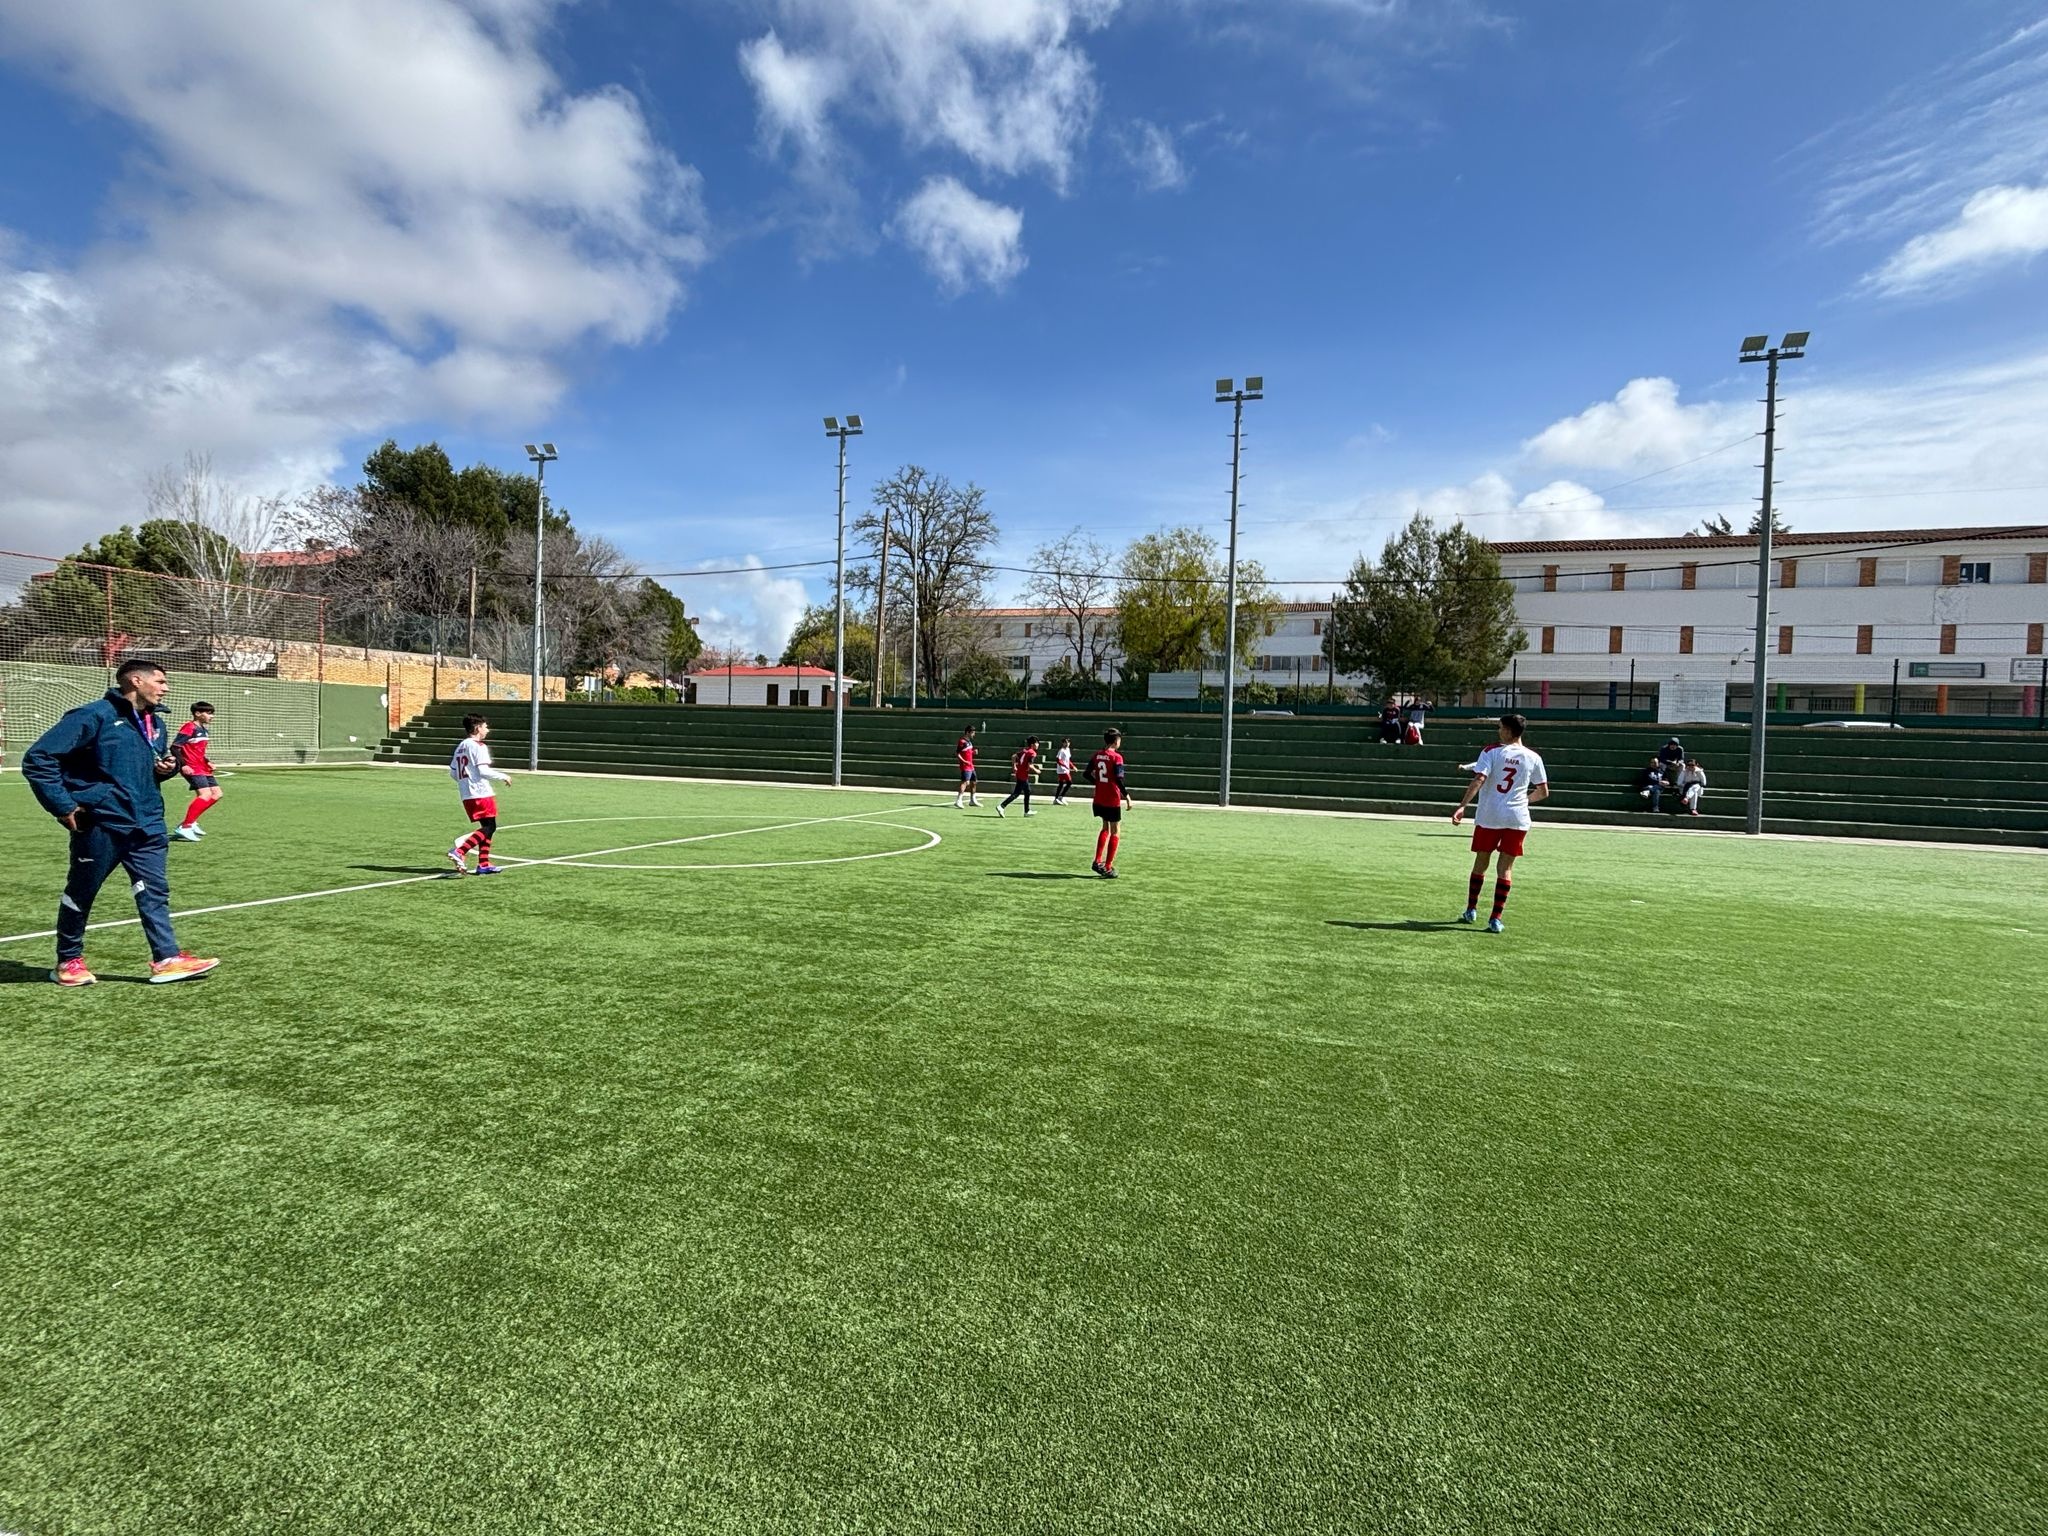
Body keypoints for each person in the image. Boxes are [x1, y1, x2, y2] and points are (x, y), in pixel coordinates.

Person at [20, 658, 221, 985]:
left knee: (155, 891)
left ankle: (166, 958)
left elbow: (144, 766)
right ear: (136, 681)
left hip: (148, 821)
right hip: (102, 822)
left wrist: (164, 769)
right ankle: (68, 961)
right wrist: (63, 807)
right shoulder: (92, 716)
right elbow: (39, 759)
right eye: (160, 681)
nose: (166, 688)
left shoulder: (155, 721)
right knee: (82, 891)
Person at [1450, 712, 1549, 934]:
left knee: (1481, 862)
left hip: (1490, 815)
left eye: (1500, 727)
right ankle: (1495, 918)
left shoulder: (1491, 751)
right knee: (1505, 868)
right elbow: (1543, 791)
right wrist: (1524, 800)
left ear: (1507, 730)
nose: (1498, 731)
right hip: (1517, 818)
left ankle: (1471, 909)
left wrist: (1462, 806)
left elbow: (1479, 779)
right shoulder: (1533, 757)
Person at [447, 713, 513, 874]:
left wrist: (465, 783)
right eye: (485, 727)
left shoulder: (461, 746)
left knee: (487, 826)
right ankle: (460, 851)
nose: (487, 730)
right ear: (477, 728)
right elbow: (483, 770)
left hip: (467, 794)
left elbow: (453, 773)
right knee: (490, 827)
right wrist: (503, 776)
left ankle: (483, 864)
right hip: (480, 792)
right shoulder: (478, 746)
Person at [170, 700, 222, 841]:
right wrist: (184, 765)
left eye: (212, 714)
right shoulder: (189, 727)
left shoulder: (204, 730)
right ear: (198, 714)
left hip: (202, 766)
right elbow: (175, 747)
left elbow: (198, 751)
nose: (212, 717)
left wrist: (208, 761)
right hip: (192, 767)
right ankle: (185, 827)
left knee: (217, 794)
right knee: (205, 795)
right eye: (209, 713)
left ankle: (191, 821)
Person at [1087, 727, 1131, 879]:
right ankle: (1108, 866)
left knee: (1105, 827)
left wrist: (1098, 783)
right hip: (1112, 798)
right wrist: (1127, 796)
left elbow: (1086, 773)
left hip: (1099, 797)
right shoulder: (1117, 758)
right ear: (1115, 741)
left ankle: (1097, 860)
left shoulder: (1097, 755)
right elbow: (1118, 779)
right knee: (1116, 830)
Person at [996, 736, 1040, 817]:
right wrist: (1036, 770)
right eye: (1037, 743)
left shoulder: (1024, 751)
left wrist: (1014, 766)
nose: (1038, 745)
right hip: (1023, 775)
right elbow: (1030, 765)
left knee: (1027, 791)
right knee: (1017, 793)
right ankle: (1001, 806)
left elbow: (1013, 756)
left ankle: (1027, 811)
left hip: (1020, 773)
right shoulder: (1032, 753)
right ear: (1033, 744)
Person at [953, 725, 980, 808]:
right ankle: (958, 800)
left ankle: (972, 800)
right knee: (964, 782)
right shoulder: (962, 741)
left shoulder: (969, 742)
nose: (973, 735)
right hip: (965, 766)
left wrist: (973, 752)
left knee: (974, 782)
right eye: (972, 733)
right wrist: (964, 761)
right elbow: (957, 753)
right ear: (968, 732)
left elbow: (967, 752)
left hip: (971, 766)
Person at [1052, 738, 1075, 805]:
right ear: (1063, 743)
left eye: (1068, 742)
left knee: (1061, 784)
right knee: (1069, 782)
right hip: (1062, 770)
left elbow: (1068, 760)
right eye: (1065, 742)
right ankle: (1060, 797)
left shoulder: (1068, 750)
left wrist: (1072, 766)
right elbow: (1058, 760)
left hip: (1066, 769)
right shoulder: (1061, 751)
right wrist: (1064, 766)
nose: (1067, 744)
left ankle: (1057, 798)